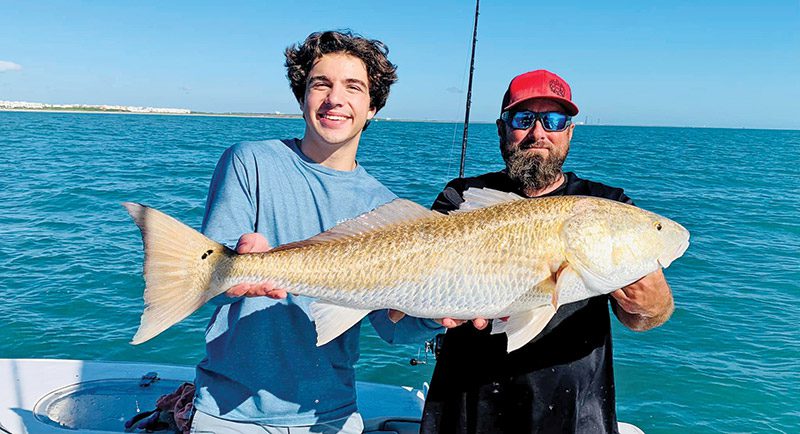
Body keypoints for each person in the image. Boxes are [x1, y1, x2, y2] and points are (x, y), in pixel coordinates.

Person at [190, 30, 444, 434]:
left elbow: (392, 327)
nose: (335, 99)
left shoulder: (390, 209)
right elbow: (206, 273)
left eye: (354, 88)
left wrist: (440, 313)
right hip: (228, 412)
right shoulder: (250, 161)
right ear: (302, 95)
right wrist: (233, 261)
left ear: (373, 107)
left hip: (330, 414)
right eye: (320, 84)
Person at [419, 70, 675, 434]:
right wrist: (431, 312)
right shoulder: (461, 198)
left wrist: (652, 305)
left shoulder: (608, 205)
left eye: (554, 121)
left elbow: (642, 318)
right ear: (502, 129)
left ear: (569, 132)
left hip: (574, 414)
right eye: (523, 119)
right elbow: (417, 281)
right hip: (465, 410)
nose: (538, 133)